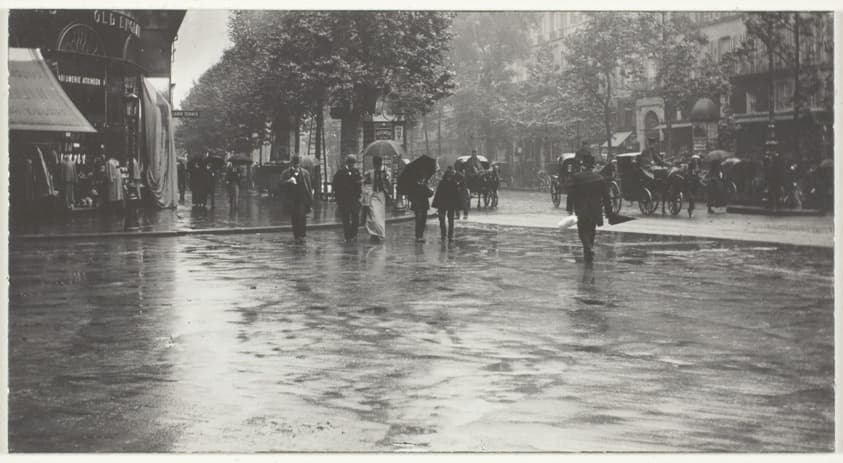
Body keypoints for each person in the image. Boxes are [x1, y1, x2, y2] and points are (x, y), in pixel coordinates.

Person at [566, 155, 615, 263]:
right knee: (591, 231)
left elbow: (571, 194)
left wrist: (569, 208)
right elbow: (606, 197)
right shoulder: (599, 178)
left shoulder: (577, 177)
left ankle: (588, 248)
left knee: (582, 231)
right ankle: (589, 251)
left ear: (582, 166)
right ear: (593, 166)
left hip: (581, 208)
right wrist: (609, 212)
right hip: (595, 209)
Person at [280, 155, 313, 243]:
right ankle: (296, 235)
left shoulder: (305, 173)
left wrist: (310, 200)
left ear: (300, 163)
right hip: (292, 199)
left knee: (302, 217)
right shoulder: (286, 173)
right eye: (295, 163)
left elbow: (309, 187)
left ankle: (302, 235)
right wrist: (288, 181)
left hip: (302, 198)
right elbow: (280, 184)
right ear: (292, 163)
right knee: (294, 217)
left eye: (297, 163)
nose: (296, 165)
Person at [332, 154, 363, 242]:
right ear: (347, 163)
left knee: (355, 218)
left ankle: (353, 234)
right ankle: (348, 236)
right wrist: (338, 198)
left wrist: (359, 192)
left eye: (353, 163)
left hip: (354, 199)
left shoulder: (356, 171)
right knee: (345, 219)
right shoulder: (341, 172)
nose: (352, 165)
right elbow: (335, 185)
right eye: (350, 163)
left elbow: (358, 184)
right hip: (344, 199)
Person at [363, 155, 392, 242]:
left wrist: (386, 178)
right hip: (373, 195)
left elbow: (388, 185)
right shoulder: (369, 173)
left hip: (381, 196)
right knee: (373, 215)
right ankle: (373, 233)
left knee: (380, 216)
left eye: (379, 164)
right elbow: (365, 183)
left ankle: (378, 233)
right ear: (374, 164)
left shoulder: (385, 173)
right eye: (376, 164)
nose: (377, 166)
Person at [432, 166, 461, 241]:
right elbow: (456, 195)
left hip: (444, 204)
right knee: (447, 220)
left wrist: (436, 204)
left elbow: (438, 194)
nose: (449, 177)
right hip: (448, 204)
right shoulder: (453, 183)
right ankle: (447, 235)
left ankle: (445, 235)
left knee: (446, 220)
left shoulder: (443, 183)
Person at [408, 175, 433, 242]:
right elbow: (430, 194)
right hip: (421, 206)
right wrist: (431, 189)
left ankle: (419, 235)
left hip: (420, 206)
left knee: (420, 220)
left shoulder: (419, 186)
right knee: (420, 221)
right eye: (423, 178)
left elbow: (409, 197)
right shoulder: (423, 186)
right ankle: (419, 236)